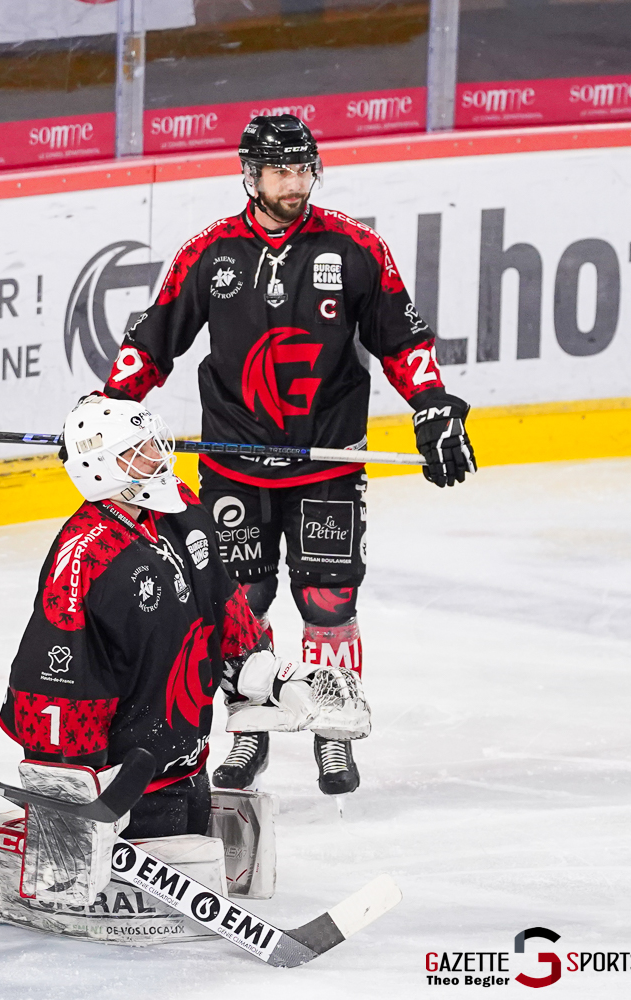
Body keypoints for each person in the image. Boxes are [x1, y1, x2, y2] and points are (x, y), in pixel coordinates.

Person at [100, 114, 476, 796]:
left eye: (303, 169)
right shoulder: (209, 253)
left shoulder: (355, 247)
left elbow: (401, 338)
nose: (294, 183)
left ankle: (334, 729)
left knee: (328, 600)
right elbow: (153, 341)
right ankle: (252, 727)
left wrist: (431, 402)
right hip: (234, 464)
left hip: (327, 460)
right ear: (251, 175)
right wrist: (109, 407)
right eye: (280, 171)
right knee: (240, 603)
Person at [0, 395, 359, 849]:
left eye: (154, 439)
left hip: (188, 765)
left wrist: (265, 675)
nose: (158, 453)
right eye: (140, 448)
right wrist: (71, 792)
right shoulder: (84, 558)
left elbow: (221, 600)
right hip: (123, 794)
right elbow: (56, 682)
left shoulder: (181, 508)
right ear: (102, 468)